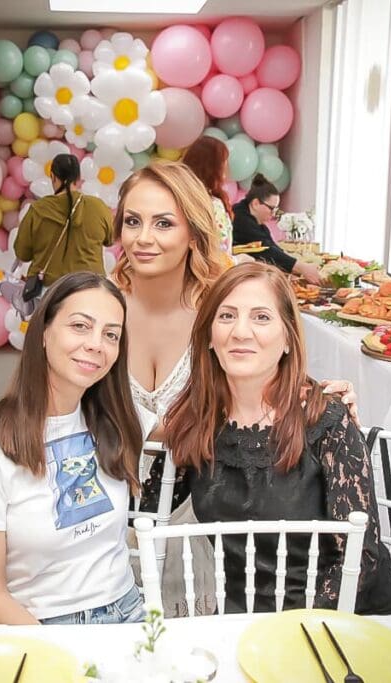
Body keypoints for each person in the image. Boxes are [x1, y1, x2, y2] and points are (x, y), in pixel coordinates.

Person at [112, 162, 360, 616]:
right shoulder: (103, 307)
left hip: (202, 511)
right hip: (114, 497)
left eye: (164, 222)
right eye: (132, 221)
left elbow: (265, 364)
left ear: (194, 231)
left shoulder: (222, 305)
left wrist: (320, 398)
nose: (143, 238)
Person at [164, 262, 391, 615]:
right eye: (227, 316)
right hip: (239, 614)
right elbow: (152, 507)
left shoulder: (325, 420)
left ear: (290, 337)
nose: (240, 332)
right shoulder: (197, 422)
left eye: (261, 317)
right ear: (209, 338)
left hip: (335, 616)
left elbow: (361, 556)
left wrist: (288, 628)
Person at [0, 272, 149, 625]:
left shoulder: (116, 418)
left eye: (110, 335)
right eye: (79, 326)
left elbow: (195, 430)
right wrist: (59, 656)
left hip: (130, 612)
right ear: (44, 332)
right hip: (43, 626)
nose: (96, 344)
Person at [13, 154, 113, 286]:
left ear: (53, 177)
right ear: (78, 179)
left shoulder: (37, 210)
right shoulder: (98, 207)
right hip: (91, 288)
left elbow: (22, 253)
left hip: (50, 291)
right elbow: (110, 239)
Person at [232, 174, 322, 284]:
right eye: (271, 208)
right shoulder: (240, 219)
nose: (273, 214)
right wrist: (301, 267)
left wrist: (295, 267)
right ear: (255, 203)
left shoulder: (253, 219)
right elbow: (267, 249)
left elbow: (271, 246)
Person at [181, 136, 234, 263]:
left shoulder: (179, 197)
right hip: (210, 275)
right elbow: (221, 250)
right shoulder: (213, 205)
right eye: (224, 162)